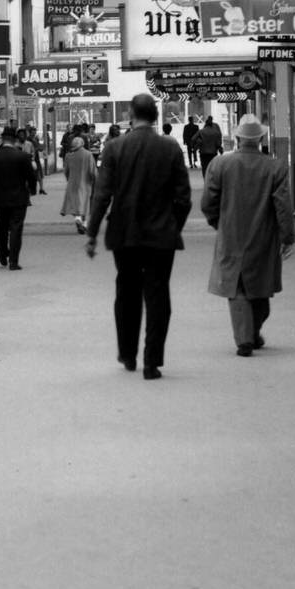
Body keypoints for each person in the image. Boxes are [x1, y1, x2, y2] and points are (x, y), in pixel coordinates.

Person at [85, 93, 192, 379]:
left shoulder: (114, 148)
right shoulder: (170, 149)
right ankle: (152, 361)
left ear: (131, 114)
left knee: (127, 292)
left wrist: (92, 233)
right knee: (158, 295)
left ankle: (128, 354)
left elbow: (102, 195)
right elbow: (183, 199)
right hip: (161, 236)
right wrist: (172, 226)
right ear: (156, 117)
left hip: (125, 233)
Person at [200, 114, 295, 357]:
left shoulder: (220, 165)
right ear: (262, 138)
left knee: (238, 288)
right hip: (263, 237)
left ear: (238, 138)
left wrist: (218, 223)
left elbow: (208, 202)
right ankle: (248, 336)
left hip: (231, 234)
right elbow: (283, 206)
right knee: (260, 288)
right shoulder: (275, 167)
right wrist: (287, 237)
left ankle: (246, 337)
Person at [0, 125, 38, 270]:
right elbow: (31, 176)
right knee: (16, 228)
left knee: (2, 228)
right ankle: (13, 261)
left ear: (2, 138)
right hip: (19, 198)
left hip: (0, 198)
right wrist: (33, 189)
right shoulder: (22, 156)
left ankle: (3, 253)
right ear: (14, 140)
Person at [59, 134, 96, 233]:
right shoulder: (88, 154)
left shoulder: (68, 156)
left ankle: (78, 219)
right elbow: (92, 171)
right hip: (86, 183)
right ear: (82, 144)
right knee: (84, 203)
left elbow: (66, 171)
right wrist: (96, 180)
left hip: (72, 182)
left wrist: (69, 179)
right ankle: (83, 222)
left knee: (75, 203)